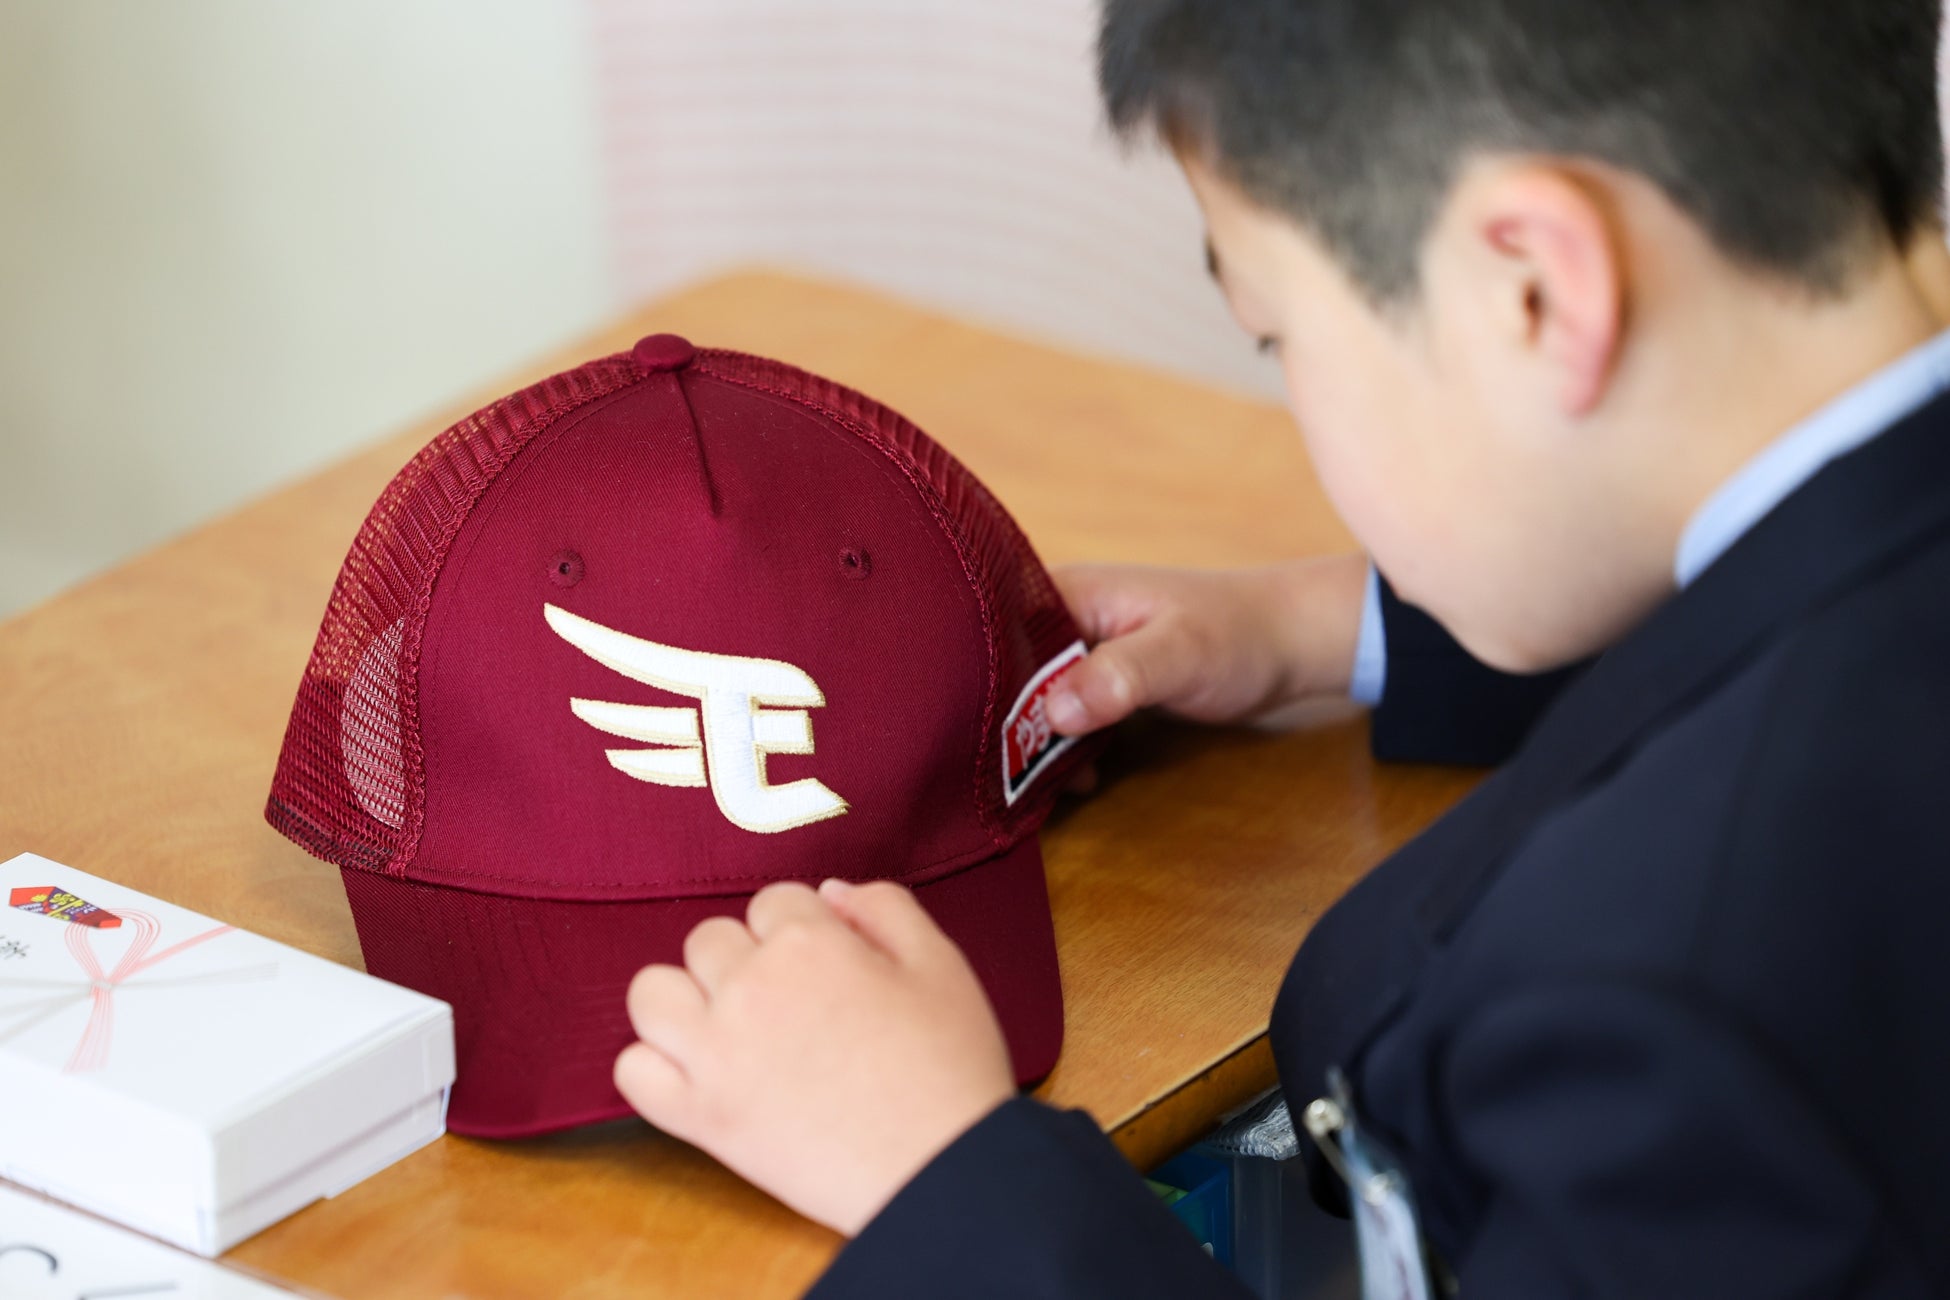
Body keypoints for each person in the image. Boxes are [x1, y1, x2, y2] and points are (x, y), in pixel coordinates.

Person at [610, 1, 1950, 1293]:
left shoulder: (1663, 1018)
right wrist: (1322, 626)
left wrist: (941, 1173)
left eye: (1276, 335)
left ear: (1535, 288)